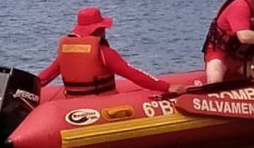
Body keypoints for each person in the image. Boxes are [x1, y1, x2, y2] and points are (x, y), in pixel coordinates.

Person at [38, 7, 185, 96]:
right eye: (102, 28)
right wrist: (167, 87)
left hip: (71, 103)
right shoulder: (103, 52)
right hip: (100, 103)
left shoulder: (67, 51)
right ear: (98, 30)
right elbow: (133, 74)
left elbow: (44, 78)